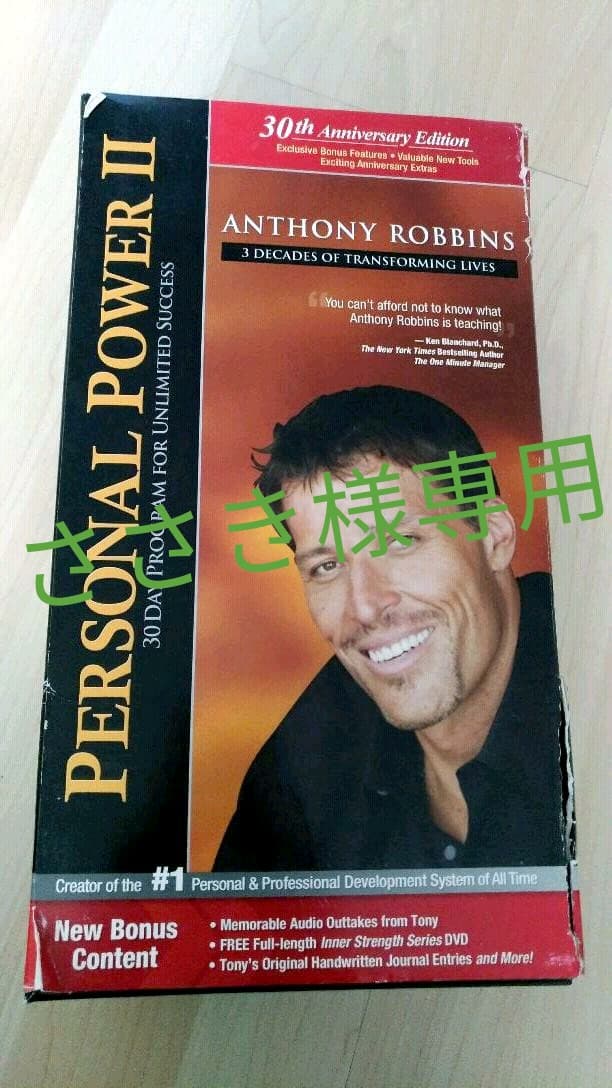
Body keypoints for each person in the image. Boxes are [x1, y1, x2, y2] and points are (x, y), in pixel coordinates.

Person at [214, 386, 568, 871]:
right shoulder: (307, 764)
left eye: (400, 541)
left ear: (494, 537)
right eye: (326, 566)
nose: (363, 606)